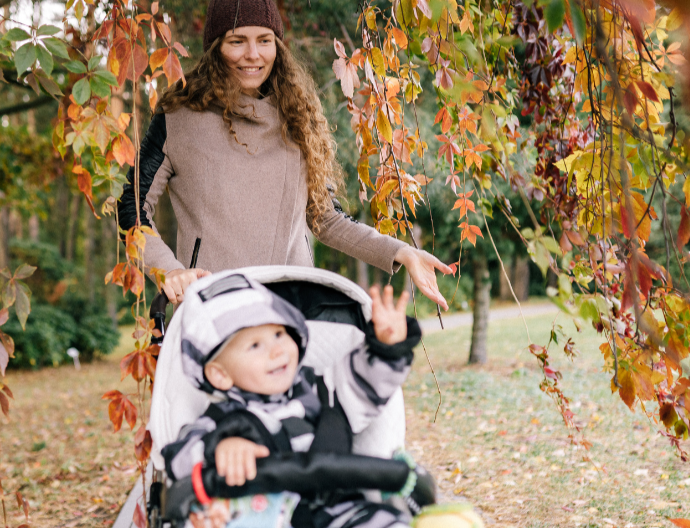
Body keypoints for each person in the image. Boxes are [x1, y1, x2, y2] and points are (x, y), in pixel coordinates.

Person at [117, 0, 453, 307]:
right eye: (237, 41)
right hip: (215, 310)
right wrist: (170, 271)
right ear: (215, 47)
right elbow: (131, 205)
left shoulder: (297, 115)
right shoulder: (179, 116)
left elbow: (326, 218)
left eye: (264, 40)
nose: (253, 54)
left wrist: (402, 252)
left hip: (294, 307)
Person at [160, 272, 431, 528]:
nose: (277, 349)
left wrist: (387, 347)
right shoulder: (219, 420)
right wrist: (218, 449)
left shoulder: (321, 389)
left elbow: (364, 383)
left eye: (279, 334)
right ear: (220, 374)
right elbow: (178, 458)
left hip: (340, 511)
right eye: (255, 345)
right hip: (264, 517)